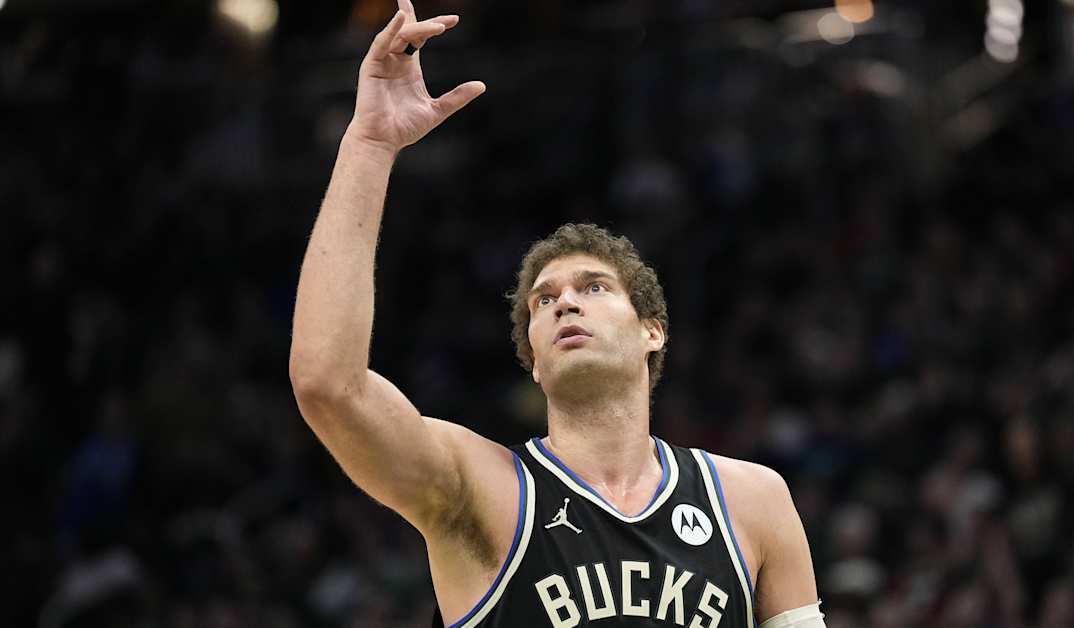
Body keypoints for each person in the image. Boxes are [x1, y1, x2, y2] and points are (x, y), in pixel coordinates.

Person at [288, 2, 824, 626]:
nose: (566, 301)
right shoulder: (481, 489)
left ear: (652, 332)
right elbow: (329, 384)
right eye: (544, 301)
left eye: (594, 288)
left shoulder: (752, 501)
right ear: (535, 362)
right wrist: (369, 145)